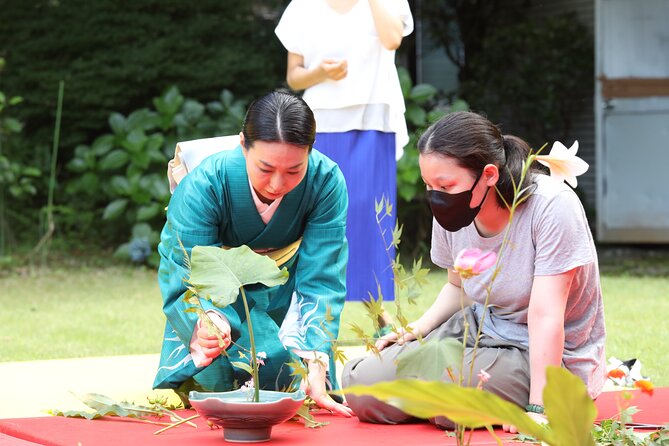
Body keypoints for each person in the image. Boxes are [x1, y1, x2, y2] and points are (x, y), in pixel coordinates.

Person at [341, 111, 606, 430]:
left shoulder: (552, 207)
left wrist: (540, 407)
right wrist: (417, 329)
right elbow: (459, 287)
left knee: (449, 395)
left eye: (445, 184)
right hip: (482, 330)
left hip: (548, 354)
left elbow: (546, 316)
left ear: (489, 175)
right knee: (361, 383)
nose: (435, 196)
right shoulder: (451, 211)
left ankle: (445, 398)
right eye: (429, 185)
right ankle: (442, 397)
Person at [153, 91, 353, 417]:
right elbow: (187, 264)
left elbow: (323, 274)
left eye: (294, 170)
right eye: (265, 167)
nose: (277, 184)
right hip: (218, 292)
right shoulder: (205, 184)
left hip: (286, 285)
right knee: (216, 389)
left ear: (310, 153)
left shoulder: (326, 180)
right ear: (243, 144)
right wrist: (209, 320)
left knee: (303, 379)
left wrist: (316, 353)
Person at [274, 0, 413, 310]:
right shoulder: (302, 7)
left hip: (373, 118)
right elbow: (294, 77)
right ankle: (310, 310)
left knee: (372, 216)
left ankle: (377, 313)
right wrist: (320, 73)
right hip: (320, 121)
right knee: (317, 215)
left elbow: (392, 39)